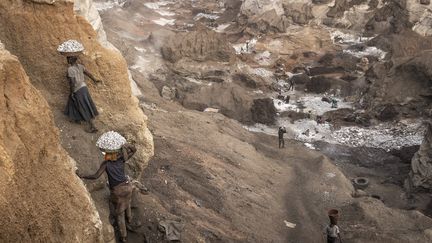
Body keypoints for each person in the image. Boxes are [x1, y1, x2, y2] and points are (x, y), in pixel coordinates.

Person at [78, 143, 137, 243]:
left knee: (119, 213)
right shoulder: (121, 159)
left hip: (118, 192)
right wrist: (125, 145)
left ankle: (124, 237)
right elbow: (134, 150)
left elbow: (95, 176)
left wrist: (81, 175)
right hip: (128, 187)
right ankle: (130, 219)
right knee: (127, 200)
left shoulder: (106, 164)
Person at [64, 56, 100, 133]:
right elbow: (88, 73)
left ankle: (93, 127)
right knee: (72, 102)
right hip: (84, 88)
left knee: (83, 107)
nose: (66, 59)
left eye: (68, 58)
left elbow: (72, 83)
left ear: (71, 59)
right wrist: (95, 80)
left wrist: (72, 92)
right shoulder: (80, 66)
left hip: (78, 90)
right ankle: (77, 119)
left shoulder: (70, 69)